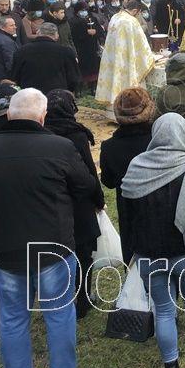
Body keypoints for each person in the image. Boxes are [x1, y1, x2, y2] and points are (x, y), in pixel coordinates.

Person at [0, 88, 95, 368]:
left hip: (7, 248)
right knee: (58, 317)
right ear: (42, 117)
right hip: (52, 248)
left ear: (9, 115)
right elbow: (86, 186)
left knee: (13, 320)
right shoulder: (60, 147)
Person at [120, 113, 185, 368]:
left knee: (163, 311)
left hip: (149, 254)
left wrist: (129, 253)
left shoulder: (136, 167)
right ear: (183, 133)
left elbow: (127, 213)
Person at [44, 89, 105, 320]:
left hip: (53, 202)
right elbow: (89, 170)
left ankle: (62, 296)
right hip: (79, 202)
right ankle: (83, 299)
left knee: (57, 253)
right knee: (83, 253)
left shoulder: (42, 133)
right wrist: (99, 199)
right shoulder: (77, 135)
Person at [99, 87, 155, 264]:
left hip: (128, 209)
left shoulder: (109, 147)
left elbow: (108, 181)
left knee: (133, 259)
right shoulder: (157, 139)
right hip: (160, 205)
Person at [95, 0, 154, 113]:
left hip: (113, 58)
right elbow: (141, 44)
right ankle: (130, 110)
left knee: (115, 81)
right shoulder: (131, 21)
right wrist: (149, 57)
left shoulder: (115, 17)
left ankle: (112, 110)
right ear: (135, 11)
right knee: (129, 83)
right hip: (127, 59)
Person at [11, 22, 80, 95]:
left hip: (30, 95)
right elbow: (74, 78)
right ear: (56, 35)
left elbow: (15, 76)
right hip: (57, 95)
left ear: (38, 33)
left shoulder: (21, 51)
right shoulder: (66, 52)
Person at [69, 1, 103, 92]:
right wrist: (86, 32)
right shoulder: (73, 21)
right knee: (81, 68)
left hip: (93, 47)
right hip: (80, 48)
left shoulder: (92, 18)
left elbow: (100, 30)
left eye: (85, 10)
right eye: (81, 10)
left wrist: (95, 32)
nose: (84, 12)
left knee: (94, 67)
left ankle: (93, 86)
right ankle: (80, 87)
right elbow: (73, 34)